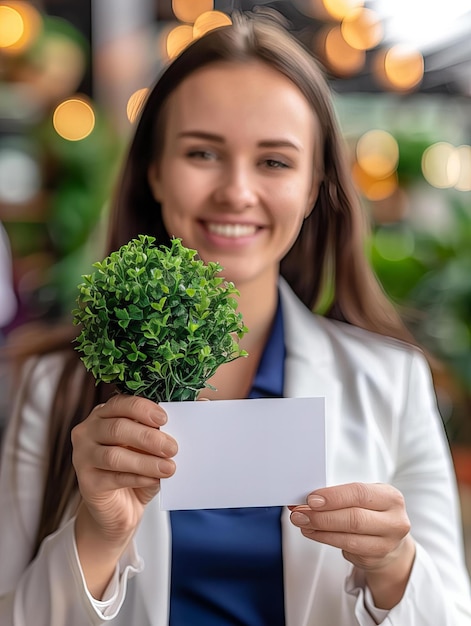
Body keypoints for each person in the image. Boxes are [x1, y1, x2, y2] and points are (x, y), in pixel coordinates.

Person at [0, 10, 470, 626]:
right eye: (202, 153)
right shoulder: (54, 385)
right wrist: (97, 537)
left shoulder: (393, 382)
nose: (236, 192)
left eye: (274, 162)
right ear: (154, 172)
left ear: (312, 188)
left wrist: (393, 567)